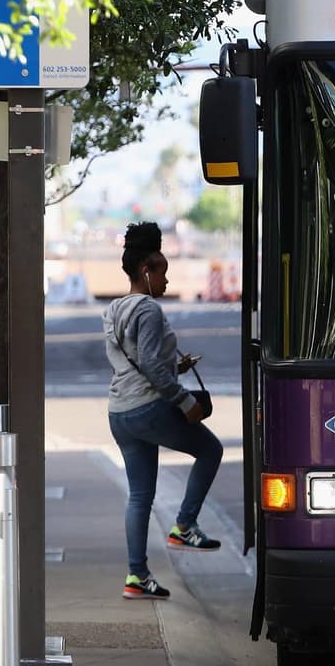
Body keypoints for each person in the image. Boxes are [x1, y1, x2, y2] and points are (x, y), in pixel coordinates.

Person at [104, 221, 223, 600]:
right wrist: (186, 401)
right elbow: (154, 369)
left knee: (139, 496)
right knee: (210, 450)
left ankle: (136, 576)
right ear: (146, 271)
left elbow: (141, 360)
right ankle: (185, 526)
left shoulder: (114, 309)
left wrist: (177, 367)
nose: (167, 281)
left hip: (120, 413)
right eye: (163, 273)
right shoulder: (149, 310)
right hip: (148, 409)